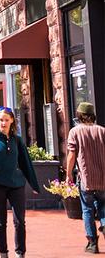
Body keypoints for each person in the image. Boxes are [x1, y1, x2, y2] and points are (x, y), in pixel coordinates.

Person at [0, 107, 40, 258]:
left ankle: (20, 253)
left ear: (12, 120)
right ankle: (3, 253)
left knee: (20, 221)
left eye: (7, 120)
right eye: (1, 120)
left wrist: (34, 184)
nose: (4, 123)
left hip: (17, 184)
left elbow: (26, 162)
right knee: (1, 222)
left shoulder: (17, 140)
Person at [66, 101, 105, 253]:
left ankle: (92, 244)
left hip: (86, 178)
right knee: (103, 204)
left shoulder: (75, 132)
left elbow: (71, 155)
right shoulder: (102, 131)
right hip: (103, 178)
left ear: (79, 115)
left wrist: (69, 174)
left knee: (87, 209)